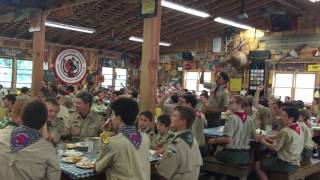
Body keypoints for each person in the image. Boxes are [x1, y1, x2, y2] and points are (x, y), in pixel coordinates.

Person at [0, 101, 60, 179]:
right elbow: (54, 177)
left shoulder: (2, 134)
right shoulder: (48, 149)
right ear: (43, 123)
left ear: (22, 117)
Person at [95, 98, 150, 180]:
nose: (111, 118)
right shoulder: (145, 137)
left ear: (119, 118)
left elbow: (98, 167)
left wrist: (105, 133)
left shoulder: (114, 143)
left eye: (112, 114)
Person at [255, 107, 304, 180]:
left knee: (257, 164)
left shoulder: (286, 131)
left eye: (284, 116)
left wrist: (262, 141)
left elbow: (275, 148)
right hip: (296, 160)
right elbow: (281, 138)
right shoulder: (298, 127)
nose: (281, 118)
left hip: (286, 164)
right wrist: (267, 138)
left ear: (291, 118)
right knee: (269, 159)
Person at [208, 95, 258, 165]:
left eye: (231, 102)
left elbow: (227, 139)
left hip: (232, 155)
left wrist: (214, 140)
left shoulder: (232, 119)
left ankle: (215, 174)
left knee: (212, 153)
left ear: (239, 105)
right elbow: (256, 137)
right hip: (245, 156)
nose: (229, 103)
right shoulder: (249, 119)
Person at [157, 106, 203, 180]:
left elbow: (163, 174)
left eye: (174, 116)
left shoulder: (176, 144)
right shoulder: (192, 139)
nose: (170, 118)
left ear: (183, 121)